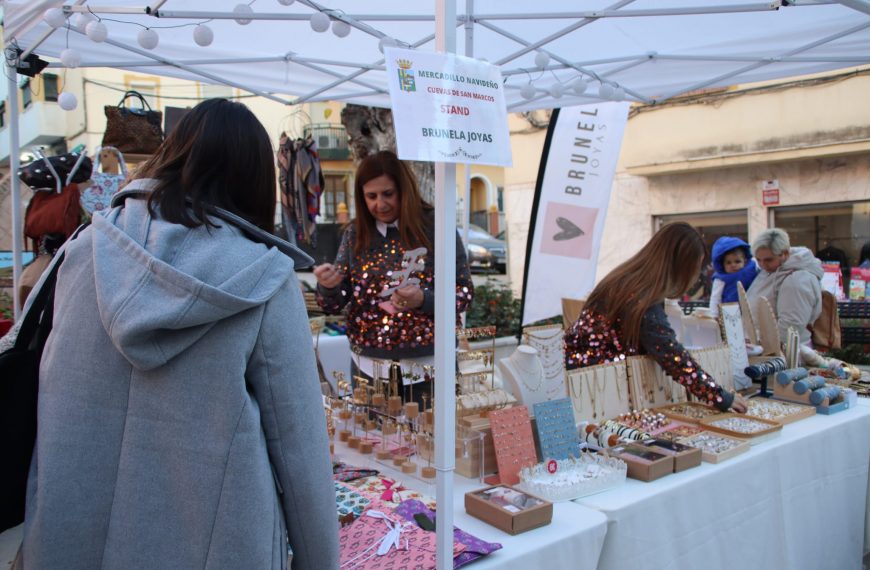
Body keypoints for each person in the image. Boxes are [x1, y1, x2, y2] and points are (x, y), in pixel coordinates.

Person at [14, 100, 338, 570]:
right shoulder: (264, 278)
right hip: (214, 543)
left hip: (69, 537)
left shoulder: (83, 253)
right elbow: (300, 450)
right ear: (254, 180)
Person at [314, 150, 473, 396]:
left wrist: (423, 299)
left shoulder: (436, 227)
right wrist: (329, 286)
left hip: (429, 365)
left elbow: (463, 292)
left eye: (388, 194)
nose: (380, 204)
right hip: (367, 367)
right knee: (369, 435)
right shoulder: (355, 234)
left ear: (404, 190)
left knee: (430, 434)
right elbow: (334, 303)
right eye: (371, 196)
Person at [565, 222, 747, 413]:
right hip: (594, 391)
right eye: (695, 266)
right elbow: (670, 354)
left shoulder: (629, 279)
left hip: (586, 381)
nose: (695, 275)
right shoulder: (643, 295)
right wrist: (719, 396)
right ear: (682, 266)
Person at [746, 228, 823, 346]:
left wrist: (767, 348)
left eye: (768, 260)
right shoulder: (774, 269)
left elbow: (790, 326)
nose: (763, 265)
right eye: (758, 260)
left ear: (785, 254)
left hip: (785, 353)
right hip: (768, 349)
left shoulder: (797, 280)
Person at [707, 236, 758, 316]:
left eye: (737, 261)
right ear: (722, 264)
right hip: (730, 312)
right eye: (728, 262)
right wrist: (714, 315)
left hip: (751, 309)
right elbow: (715, 298)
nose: (733, 265)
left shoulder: (752, 268)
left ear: (745, 260)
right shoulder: (720, 278)